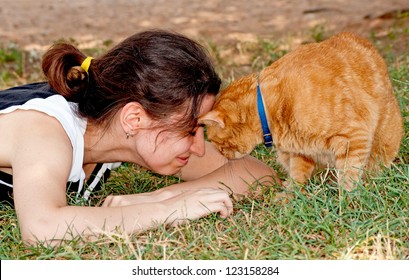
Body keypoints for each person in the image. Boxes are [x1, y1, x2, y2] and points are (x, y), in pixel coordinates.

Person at [0, 29, 280, 244]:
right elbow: (42, 229)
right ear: (134, 119)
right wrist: (168, 210)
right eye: (189, 130)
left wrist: (158, 197)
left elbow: (257, 174)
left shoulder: (108, 126)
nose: (198, 147)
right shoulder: (44, 131)